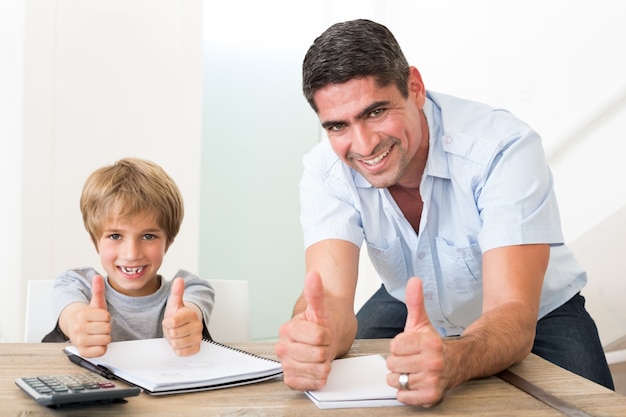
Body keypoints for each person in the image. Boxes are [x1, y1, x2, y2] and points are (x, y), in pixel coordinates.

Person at [274, 19, 614, 406]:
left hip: (535, 312)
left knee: (592, 408)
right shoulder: (326, 170)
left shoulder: (502, 149)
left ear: (414, 88)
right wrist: (313, 336)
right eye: (338, 126)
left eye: (375, 112)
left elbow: (511, 311)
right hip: (413, 300)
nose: (364, 145)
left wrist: (452, 360)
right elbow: (330, 299)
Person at [43, 157, 214, 358]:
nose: (132, 254)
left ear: (169, 241)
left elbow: (191, 310)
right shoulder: (76, 284)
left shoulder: (190, 287)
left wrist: (185, 323)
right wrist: (77, 324)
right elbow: (72, 316)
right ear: (95, 240)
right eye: (115, 236)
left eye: (148, 236)